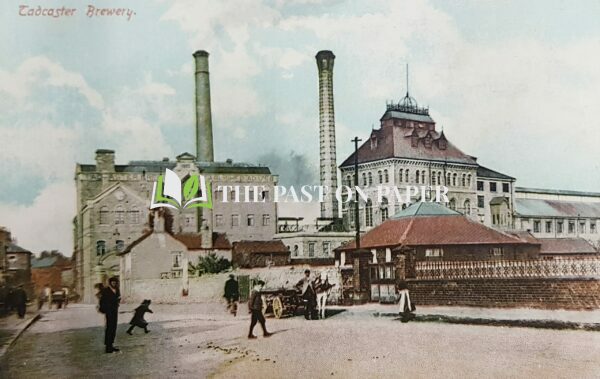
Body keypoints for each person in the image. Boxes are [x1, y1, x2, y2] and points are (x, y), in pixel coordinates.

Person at [99, 277, 121, 353]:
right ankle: (108, 347)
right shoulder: (106, 291)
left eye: (115, 282)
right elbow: (102, 301)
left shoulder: (117, 290)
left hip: (115, 311)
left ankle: (111, 344)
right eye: (112, 282)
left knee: (114, 328)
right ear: (110, 283)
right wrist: (105, 309)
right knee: (109, 328)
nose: (114, 284)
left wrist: (117, 303)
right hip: (109, 312)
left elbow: (118, 298)